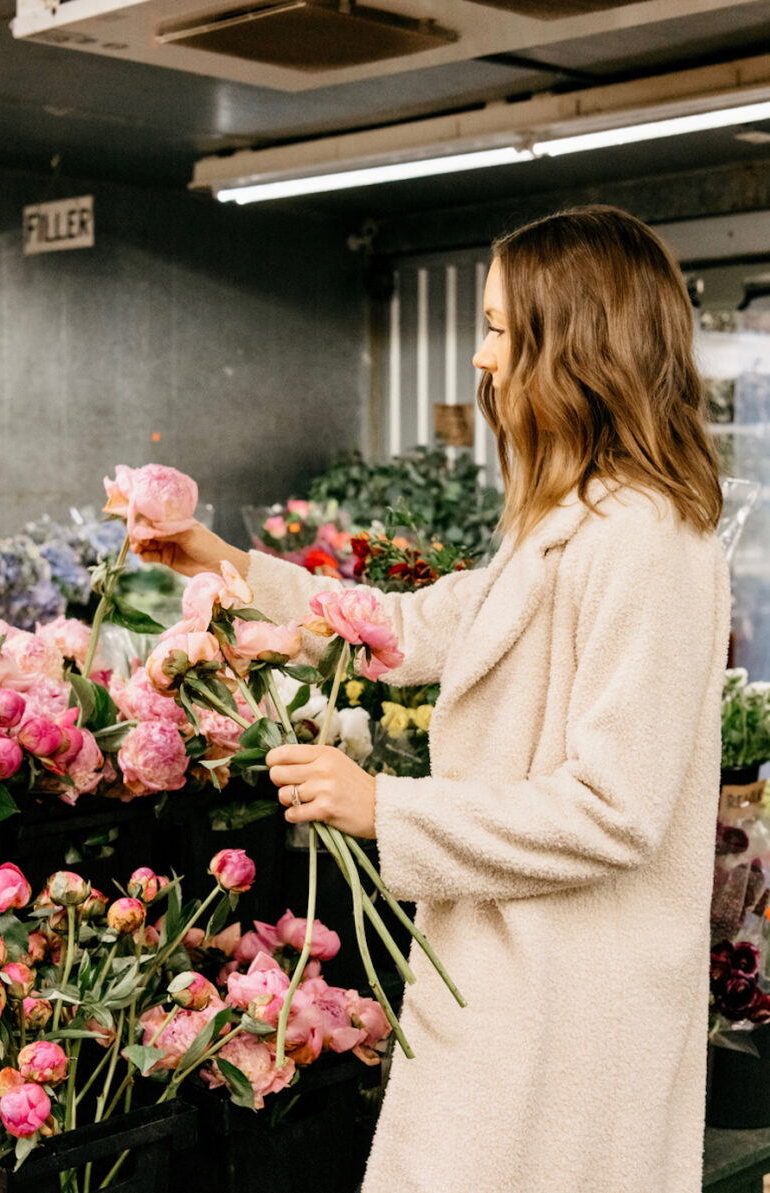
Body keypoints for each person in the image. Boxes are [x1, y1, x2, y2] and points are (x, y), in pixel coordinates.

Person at [134, 205, 730, 1193]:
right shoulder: (570, 519)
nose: (479, 354)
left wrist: (385, 807)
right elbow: (407, 626)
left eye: (499, 327)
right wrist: (232, 565)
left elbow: (617, 808)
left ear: (573, 343)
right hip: (515, 974)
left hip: (576, 1008)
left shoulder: (648, 540)